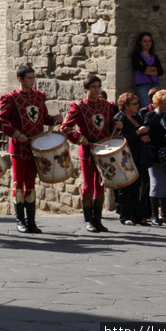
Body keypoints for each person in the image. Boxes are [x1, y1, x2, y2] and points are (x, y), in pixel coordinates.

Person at [0, 65, 60, 233]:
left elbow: (43, 117)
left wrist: (54, 120)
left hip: (35, 147)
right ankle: (20, 220)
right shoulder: (10, 98)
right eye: (29, 78)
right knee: (18, 183)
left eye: (33, 77)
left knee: (30, 184)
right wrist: (16, 134)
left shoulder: (38, 97)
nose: (32, 81)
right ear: (20, 80)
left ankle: (31, 221)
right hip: (18, 147)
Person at [60, 75, 121, 233]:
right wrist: (79, 137)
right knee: (88, 185)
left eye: (98, 86)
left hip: (102, 150)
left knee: (100, 185)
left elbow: (109, 127)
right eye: (93, 87)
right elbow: (65, 128)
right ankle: (88, 220)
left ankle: (98, 219)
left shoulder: (107, 106)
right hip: (87, 151)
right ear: (86, 89)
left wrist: (118, 126)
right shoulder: (79, 107)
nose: (96, 90)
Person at [113, 92, 151, 226]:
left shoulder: (137, 117)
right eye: (134, 103)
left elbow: (143, 133)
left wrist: (146, 137)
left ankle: (137, 216)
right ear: (126, 105)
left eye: (137, 103)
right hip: (125, 156)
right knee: (125, 186)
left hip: (138, 155)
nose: (137, 106)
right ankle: (125, 215)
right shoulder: (120, 118)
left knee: (136, 186)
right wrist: (138, 132)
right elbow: (120, 139)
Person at [143, 90, 166, 225]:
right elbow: (148, 129)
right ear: (157, 103)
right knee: (156, 182)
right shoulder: (151, 115)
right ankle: (154, 214)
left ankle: (164, 213)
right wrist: (163, 135)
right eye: (164, 104)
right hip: (155, 153)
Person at [132, 32, 163, 108]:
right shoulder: (137, 55)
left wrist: (148, 69)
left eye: (149, 41)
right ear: (140, 42)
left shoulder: (154, 56)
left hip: (155, 84)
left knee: (158, 106)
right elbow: (142, 69)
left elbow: (160, 71)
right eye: (145, 41)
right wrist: (153, 69)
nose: (147, 43)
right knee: (147, 107)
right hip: (143, 86)